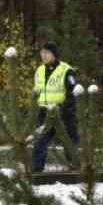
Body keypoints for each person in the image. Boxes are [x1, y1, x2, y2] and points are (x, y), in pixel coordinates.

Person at [32, 41, 80, 173]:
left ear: (54, 54)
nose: (43, 55)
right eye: (42, 53)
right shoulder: (39, 70)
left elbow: (72, 94)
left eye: (47, 53)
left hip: (63, 112)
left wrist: (63, 109)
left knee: (70, 141)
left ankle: (75, 169)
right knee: (40, 141)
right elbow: (37, 91)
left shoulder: (66, 70)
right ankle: (36, 171)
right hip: (44, 112)